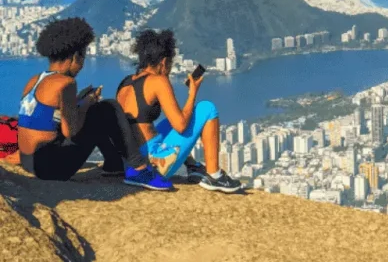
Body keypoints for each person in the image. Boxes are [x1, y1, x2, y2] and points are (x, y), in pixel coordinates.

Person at [16, 17, 170, 189]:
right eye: (83, 58)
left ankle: (114, 164)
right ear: (75, 56)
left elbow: (46, 120)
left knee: (93, 107)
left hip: (29, 162)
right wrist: (88, 102)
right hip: (52, 168)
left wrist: (82, 102)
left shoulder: (34, 80)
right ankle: (139, 169)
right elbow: (71, 131)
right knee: (108, 108)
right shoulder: (65, 83)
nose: (81, 66)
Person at [117, 29, 241, 193]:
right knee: (207, 109)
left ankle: (192, 165)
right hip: (153, 163)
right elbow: (181, 126)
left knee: (171, 120)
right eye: (169, 64)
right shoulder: (158, 81)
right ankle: (214, 175)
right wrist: (192, 94)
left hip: (130, 161)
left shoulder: (126, 83)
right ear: (163, 62)